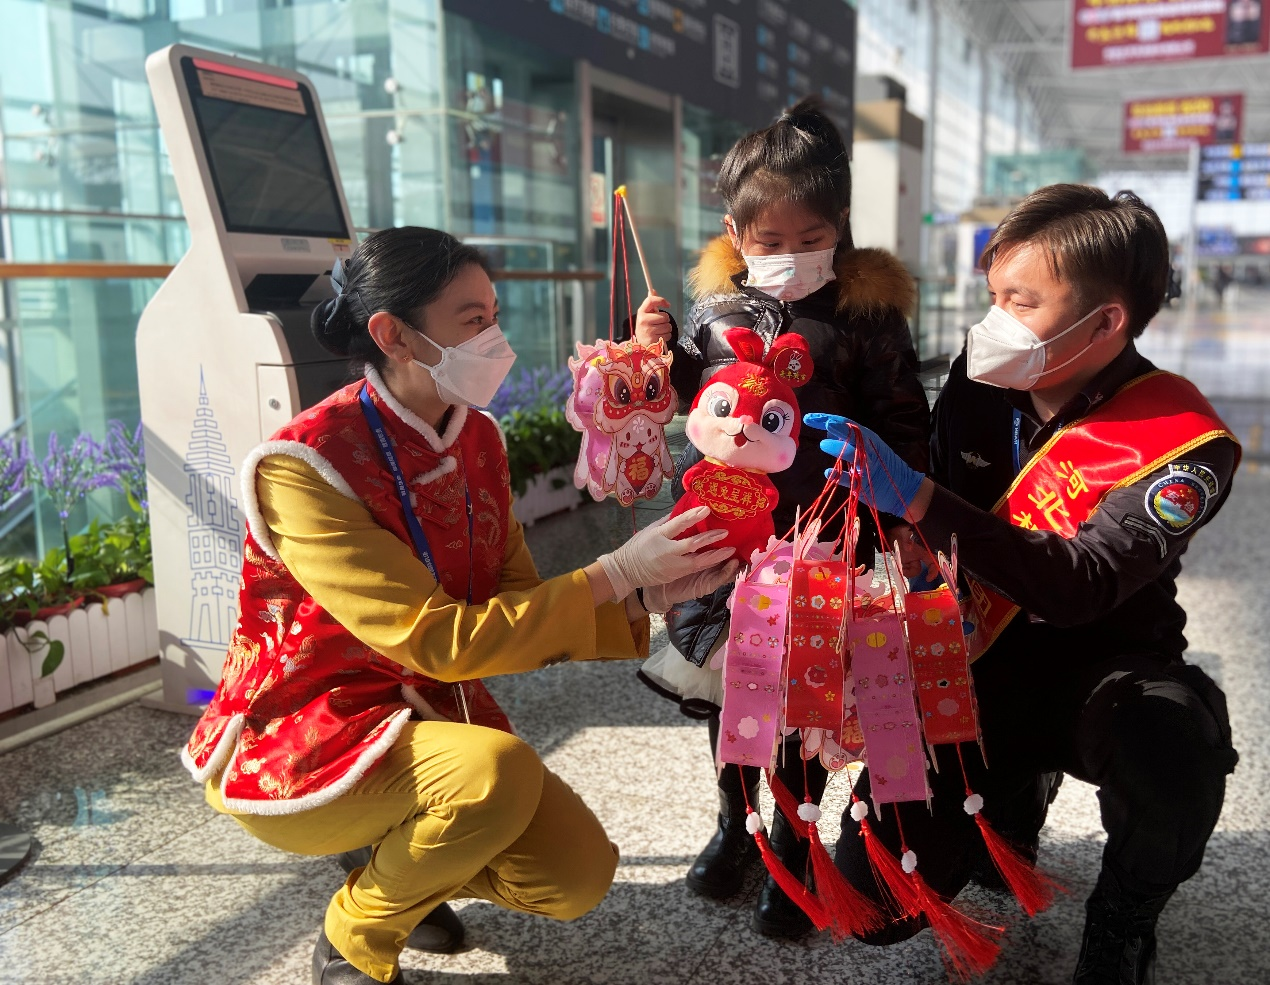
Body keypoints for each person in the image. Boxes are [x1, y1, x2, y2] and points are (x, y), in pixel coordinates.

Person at [180, 227, 738, 985]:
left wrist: (640, 590)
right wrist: (611, 572)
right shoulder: (303, 466)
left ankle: (395, 866)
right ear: (393, 334)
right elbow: (435, 640)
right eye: (473, 320)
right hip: (313, 726)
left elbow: (511, 601)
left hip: (432, 718)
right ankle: (355, 933)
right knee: (494, 776)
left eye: (494, 315)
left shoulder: (477, 437)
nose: (495, 338)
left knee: (576, 875)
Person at [809, 186, 1240, 984]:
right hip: (972, 660)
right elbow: (921, 524)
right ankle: (1010, 792)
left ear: (1106, 321)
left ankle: (1124, 919)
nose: (994, 319)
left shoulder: (1183, 442)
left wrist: (921, 499)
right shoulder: (977, 389)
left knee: (1174, 752)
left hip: (1106, 666)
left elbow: (1081, 585)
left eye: (1021, 300)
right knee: (883, 899)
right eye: (992, 295)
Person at [632, 98, 930, 940]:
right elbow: (694, 401)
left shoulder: (870, 316)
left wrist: (893, 515)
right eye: (769, 242)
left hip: (829, 544)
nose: (790, 257)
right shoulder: (714, 311)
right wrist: (662, 356)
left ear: (839, 227)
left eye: (810, 239)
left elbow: (906, 426)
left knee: (803, 707)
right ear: (735, 230)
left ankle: (792, 854)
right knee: (738, 703)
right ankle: (738, 824)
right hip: (731, 540)